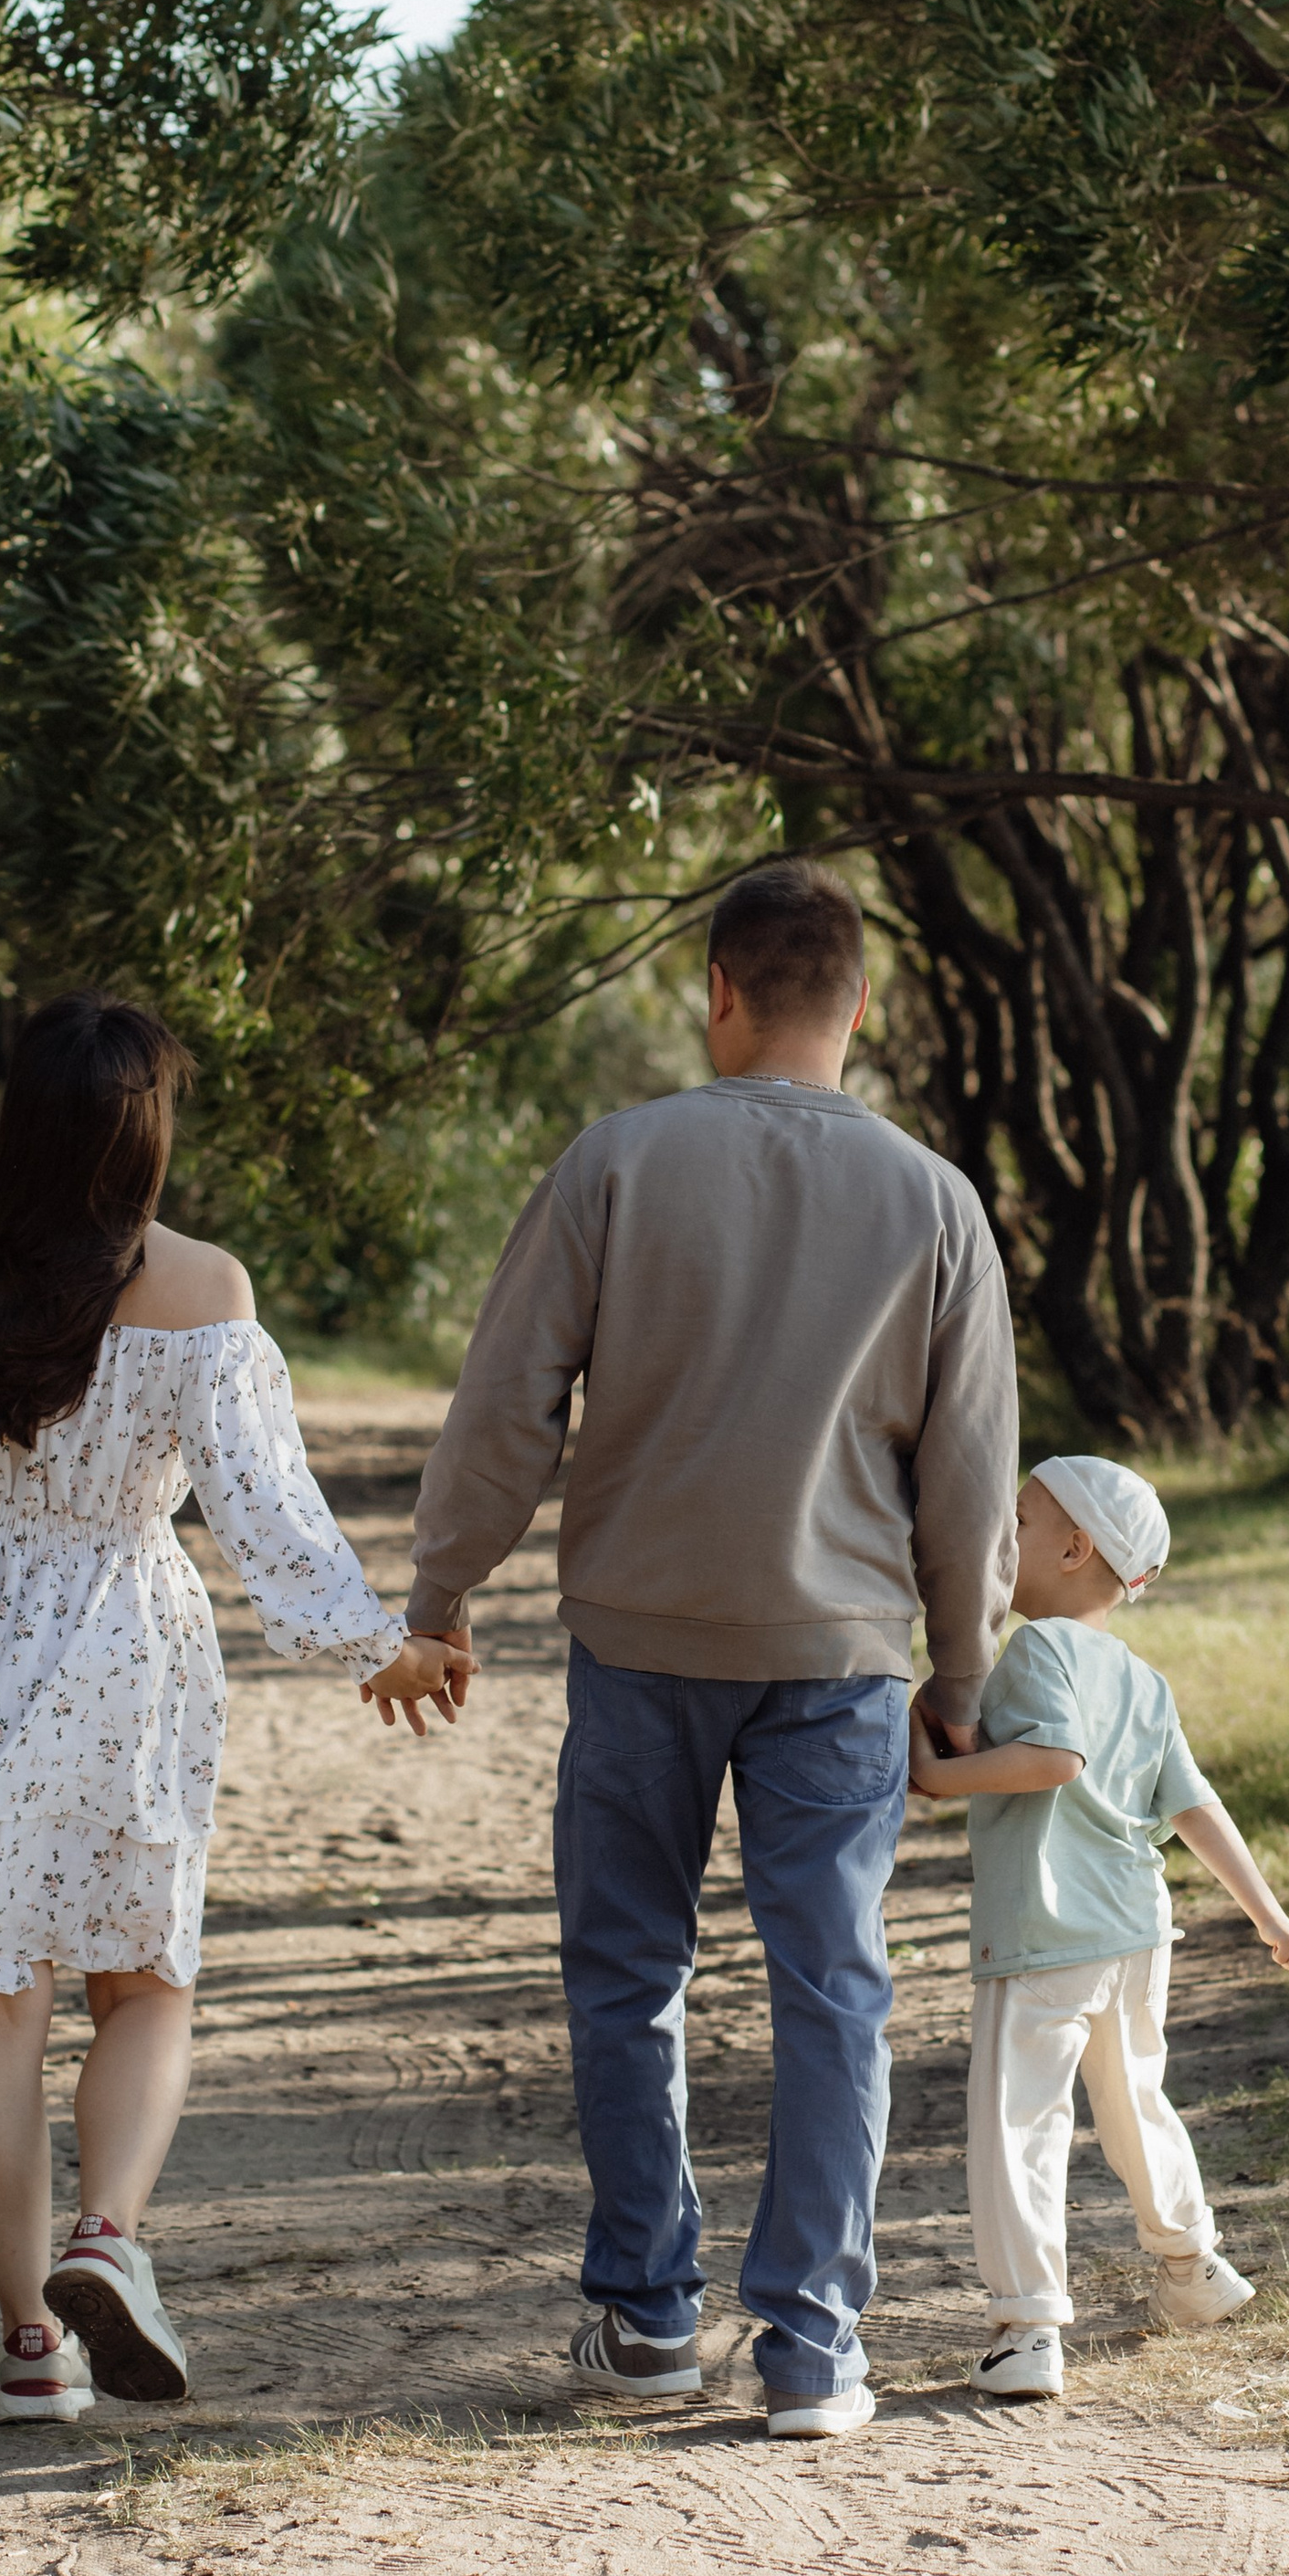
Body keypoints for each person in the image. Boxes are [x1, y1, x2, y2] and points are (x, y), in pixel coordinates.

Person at [0, 994, 469, 2424]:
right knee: (145, 1980)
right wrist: (380, 1647)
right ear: (148, 1134)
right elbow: (269, 1522)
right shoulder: (203, 1291)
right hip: (124, 1648)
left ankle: (33, 2344)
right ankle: (110, 2238)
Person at [405, 857, 1020, 2439]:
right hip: (845, 1651)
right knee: (836, 1987)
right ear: (860, 1005)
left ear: (721, 995)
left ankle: (646, 2319)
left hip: (639, 1639)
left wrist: (441, 1591)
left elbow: (507, 1405)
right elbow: (963, 1473)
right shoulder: (935, 1200)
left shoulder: (617, 1161)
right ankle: (813, 2345)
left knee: (630, 1973)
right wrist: (960, 1673)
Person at [908, 1454, 1289, 2403]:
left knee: (1018, 2121)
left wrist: (933, 1778)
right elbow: (1196, 1807)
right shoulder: (1143, 1679)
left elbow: (1053, 1758)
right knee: (1136, 2101)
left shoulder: (1039, 1650)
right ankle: (1192, 2265)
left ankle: (1026, 2327)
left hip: (1043, 1933)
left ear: (1070, 1547)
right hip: (1136, 1934)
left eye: (1014, 1518)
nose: (997, 1535)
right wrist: (1270, 1916)